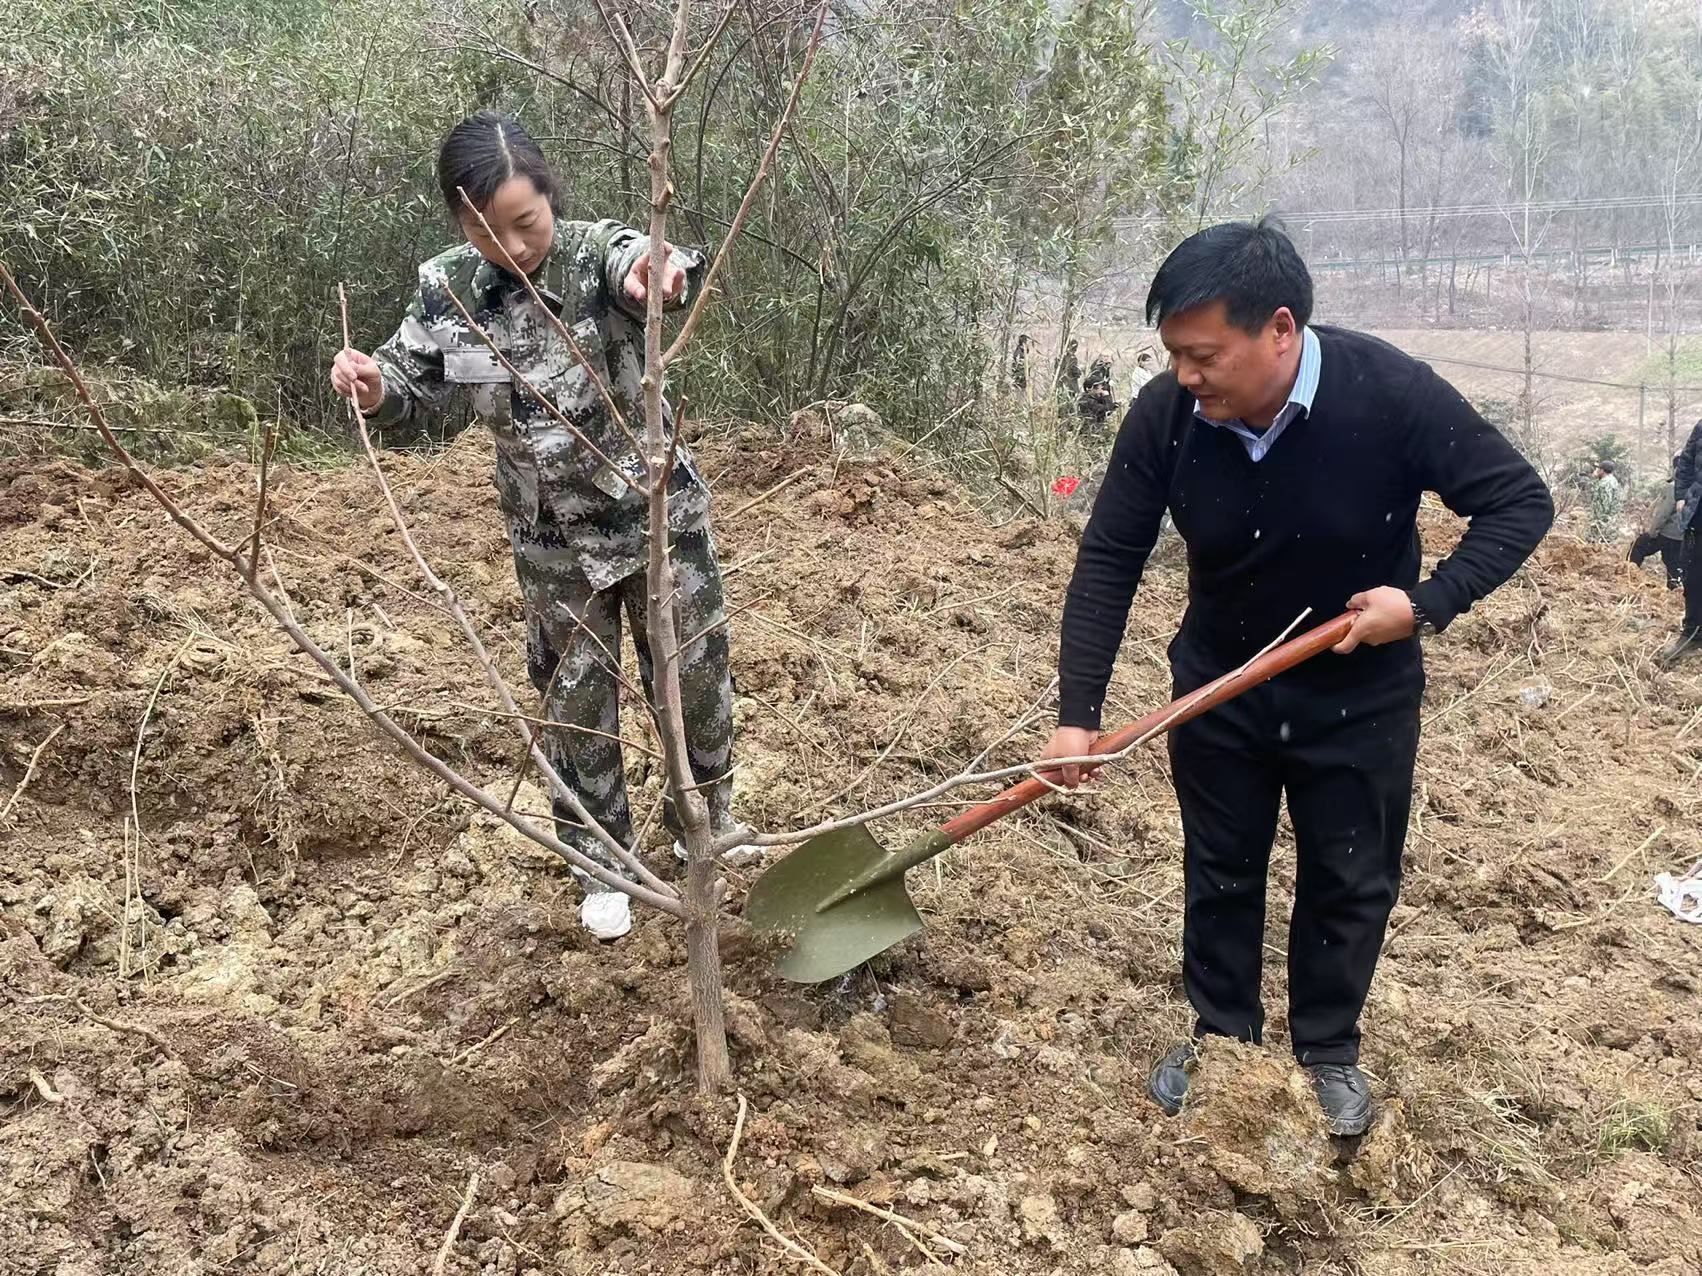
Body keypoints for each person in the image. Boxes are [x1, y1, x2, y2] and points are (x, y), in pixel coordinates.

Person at [1041, 218, 1552, 1135]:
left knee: (1351, 875)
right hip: (1219, 685)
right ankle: (1222, 1036)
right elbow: (1111, 553)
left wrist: (1425, 604)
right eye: (1175, 355)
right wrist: (1078, 710)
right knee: (1221, 865)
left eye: (1204, 356)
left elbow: (1519, 500)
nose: (1185, 376)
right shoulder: (1168, 416)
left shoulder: (1389, 393)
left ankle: (1327, 1050)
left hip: (1359, 694)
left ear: (1280, 329)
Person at [328, 111, 739, 940]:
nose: (511, 247)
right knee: (575, 701)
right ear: (459, 222)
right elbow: (408, 382)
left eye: (526, 222)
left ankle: (706, 830)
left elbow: (643, 257)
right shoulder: (448, 289)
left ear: (551, 197)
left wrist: (655, 272)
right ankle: (602, 866)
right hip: (550, 544)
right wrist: (371, 387)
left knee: (693, 685)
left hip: (656, 522)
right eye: (485, 231)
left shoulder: (594, 256)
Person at [1663, 417, 1702, 665]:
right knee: (1694, 576)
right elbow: (1686, 461)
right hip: (1699, 514)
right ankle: (1693, 633)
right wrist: (1681, 495)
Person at [1628, 454, 1686, 590]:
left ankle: (1628, 575)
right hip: (1685, 535)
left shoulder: (1674, 487)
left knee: (1638, 546)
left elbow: (1663, 514)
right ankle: (1676, 591)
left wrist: (1653, 531)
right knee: (1675, 565)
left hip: (1669, 533)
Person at [1077, 355, 1117, 434]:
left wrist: (1114, 405)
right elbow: (1106, 410)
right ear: (1090, 389)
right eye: (1099, 389)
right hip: (1090, 431)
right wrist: (1107, 397)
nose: (1101, 391)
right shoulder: (1087, 401)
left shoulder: (1093, 398)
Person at [1587, 461, 1623, 543]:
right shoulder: (1611, 480)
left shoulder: (1605, 483)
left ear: (1602, 471)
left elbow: (1606, 504)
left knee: (1599, 543)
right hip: (1609, 521)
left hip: (1603, 522)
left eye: (1598, 469)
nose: (1596, 471)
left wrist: (1601, 521)